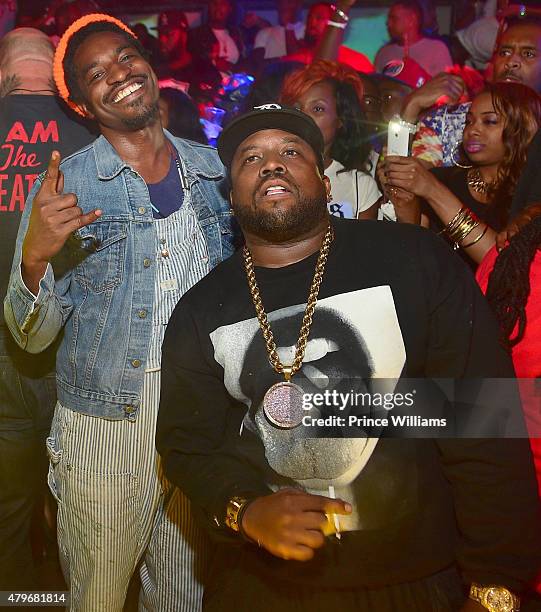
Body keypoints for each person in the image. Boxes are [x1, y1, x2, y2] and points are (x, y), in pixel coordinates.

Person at [156, 103, 541, 612]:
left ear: (325, 181)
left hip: (416, 580)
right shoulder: (202, 309)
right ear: (232, 198)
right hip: (263, 586)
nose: (272, 164)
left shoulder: (415, 260)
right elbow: (187, 444)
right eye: (251, 158)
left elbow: (483, 420)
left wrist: (497, 584)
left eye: (291, 152)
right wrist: (244, 510)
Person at [4, 14, 235, 611]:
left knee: (185, 595)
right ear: (81, 104)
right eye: (96, 75)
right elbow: (31, 340)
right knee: (100, 597)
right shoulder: (69, 188)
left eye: (126, 57)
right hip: (103, 427)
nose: (119, 76)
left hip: (197, 414)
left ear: (149, 64)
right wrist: (32, 260)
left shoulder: (212, 172)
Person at [0, 26, 95, 592]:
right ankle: (72, 598)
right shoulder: (90, 132)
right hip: (75, 349)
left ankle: (15, 596)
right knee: (82, 503)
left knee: (7, 505)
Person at [382, 82, 541, 266]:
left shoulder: (530, 195)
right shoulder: (444, 179)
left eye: (489, 121)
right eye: (469, 121)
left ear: (522, 128)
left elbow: (501, 266)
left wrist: (433, 190)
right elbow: (417, 256)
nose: (473, 130)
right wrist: (405, 205)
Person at [405, 15, 541, 167]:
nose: (511, 62)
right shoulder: (443, 122)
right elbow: (408, 181)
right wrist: (410, 107)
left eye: (528, 54)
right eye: (505, 53)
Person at [280, 60, 381, 219]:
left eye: (317, 109)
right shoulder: (273, 174)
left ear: (340, 119)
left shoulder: (360, 186)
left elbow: (366, 243)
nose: (304, 117)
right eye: (297, 108)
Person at [285, 2, 374, 73]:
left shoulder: (357, 61)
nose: (312, 23)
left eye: (319, 18)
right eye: (309, 18)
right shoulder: (295, 60)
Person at [374, 0, 452, 77]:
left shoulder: (437, 50)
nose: (388, 23)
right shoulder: (383, 53)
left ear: (412, 20)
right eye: (388, 20)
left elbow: (445, 86)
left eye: (394, 19)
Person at [189, 0, 242, 72]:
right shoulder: (196, 34)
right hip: (209, 80)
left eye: (222, 4)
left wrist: (231, 67)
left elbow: (244, 62)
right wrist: (213, 61)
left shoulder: (236, 33)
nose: (218, 7)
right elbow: (195, 61)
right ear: (209, 7)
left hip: (237, 80)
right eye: (214, 3)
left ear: (230, 8)